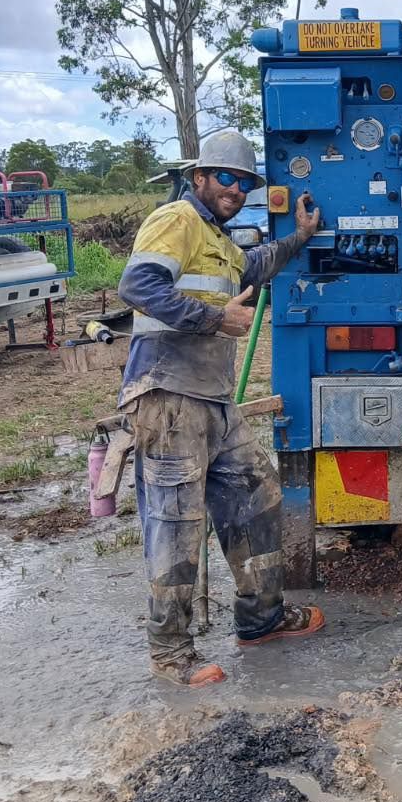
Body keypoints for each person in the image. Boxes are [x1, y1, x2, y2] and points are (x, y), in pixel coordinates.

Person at [117, 128, 324, 686]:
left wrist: (300, 237)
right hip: (167, 396)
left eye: (244, 182)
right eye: (225, 177)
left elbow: (249, 268)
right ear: (198, 178)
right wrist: (213, 318)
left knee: (256, 495)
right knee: (176, 525)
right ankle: (170, 654)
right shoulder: (176, 220)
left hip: (212, 399)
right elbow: (137, 286)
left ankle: (261, 620)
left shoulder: (217, 237)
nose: (235, 188)